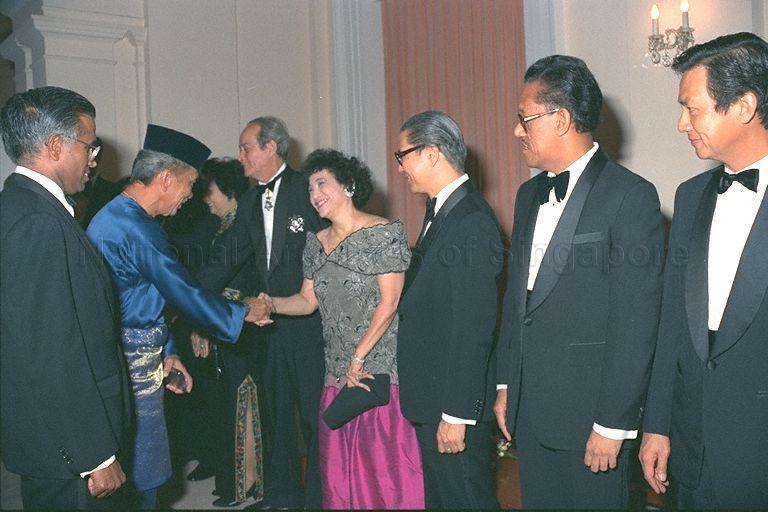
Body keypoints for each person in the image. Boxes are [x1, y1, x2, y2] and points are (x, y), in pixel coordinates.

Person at [493, 55, 664, 509]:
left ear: (562, 118)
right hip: (530, 414)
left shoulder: (631, 196)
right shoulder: (527, 194)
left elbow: (637, 321)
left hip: (592, 422)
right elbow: (518, 303)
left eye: (523, 119)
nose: (517, 131)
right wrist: (508, 385)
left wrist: (612, 425)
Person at [86, 125, 265, 509]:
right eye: (189, 184)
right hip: (129, 367)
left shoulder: (121, 216)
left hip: (140, 359)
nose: (190, 195)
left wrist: (168, 350)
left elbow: (143, 297)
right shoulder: (133, 226)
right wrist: (242, 313)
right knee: (138, 478)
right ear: (166, 177)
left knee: (144, 468)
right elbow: (180, 290)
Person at [640, 32, 768, 509]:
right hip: (693, 451)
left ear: (744, 106)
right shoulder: (690, 196)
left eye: (692, 109)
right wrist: (657, 424)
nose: (681, 124)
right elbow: (672, 322)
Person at [260, 149, 424, 509]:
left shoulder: (384, 233)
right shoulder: (315, 244)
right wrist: (270, 303)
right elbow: (307, 301)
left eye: (322, 183)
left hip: (377, 373)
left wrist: (359, 357)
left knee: (384, 477)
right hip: (336, 375)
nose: (314, 194)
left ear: (348, 185)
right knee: (339, 476)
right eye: (310, 188)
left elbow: (389, 303)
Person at [0, 86, 130, 509]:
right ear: (56, 145)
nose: (94, 160)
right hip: (71, 452)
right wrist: (95, 454)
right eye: (89, 147)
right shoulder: (38, 220)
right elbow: (51, 351)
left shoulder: (20, 206)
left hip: (52, 440)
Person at [206, 116, 324, 508]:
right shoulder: (251, 201)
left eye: (246, 148)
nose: (240, 157)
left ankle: (318, 499)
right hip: (267, 325)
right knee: (274, 414)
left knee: (312, 417)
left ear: (271, 148)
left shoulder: (308, 189)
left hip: (310, 324)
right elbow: (227, 258)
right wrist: (187, 294)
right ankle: (282, 495)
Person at [395, 111, 502, 509]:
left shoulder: (470, 220)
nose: (401, 166)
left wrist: (457, 414)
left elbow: (474, 328)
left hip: (452, 405)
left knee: (465, 499)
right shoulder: (443, 210)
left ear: (432, 153)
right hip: (434, 396)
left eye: (403, 155)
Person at [187, 157, 265, 507]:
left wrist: (202, 317)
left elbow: (234, 284)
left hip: (242, 329)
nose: (207, 198)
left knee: (241, 403)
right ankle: (232, 481)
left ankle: (244, 484)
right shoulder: (221, 227)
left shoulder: (242, 229)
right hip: (224, 324)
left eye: (211, 191)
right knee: (225, 404)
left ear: (230, 191)